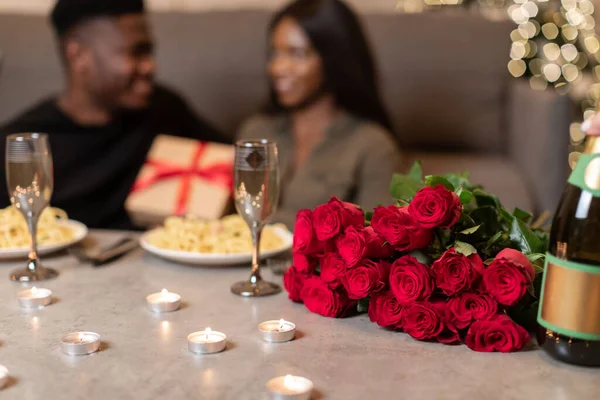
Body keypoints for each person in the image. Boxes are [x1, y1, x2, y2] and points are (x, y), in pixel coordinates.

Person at [0, 0, 229, 229]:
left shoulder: (164, 110)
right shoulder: (21, 146)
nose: (151, 67)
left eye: (149, 52)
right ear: (79, 56)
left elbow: (231, 160)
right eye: (136, 53)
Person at [237, 0, 401, 230]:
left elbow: (378, 239)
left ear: (334, 59)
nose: (277, 68)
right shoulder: (255, 132)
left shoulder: (373, 146)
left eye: (297, 54)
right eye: (275, 53)